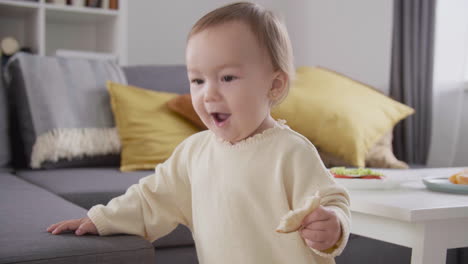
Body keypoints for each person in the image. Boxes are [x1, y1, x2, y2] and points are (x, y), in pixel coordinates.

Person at [47, 2, 350, 263]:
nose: (208, 94)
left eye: (227, 77)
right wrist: (100, 220)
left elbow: (333, 199)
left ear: (274, 85)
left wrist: (334, 226)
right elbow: (151, 199)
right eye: (197, 80)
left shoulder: (291, 152)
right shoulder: (193, 153)